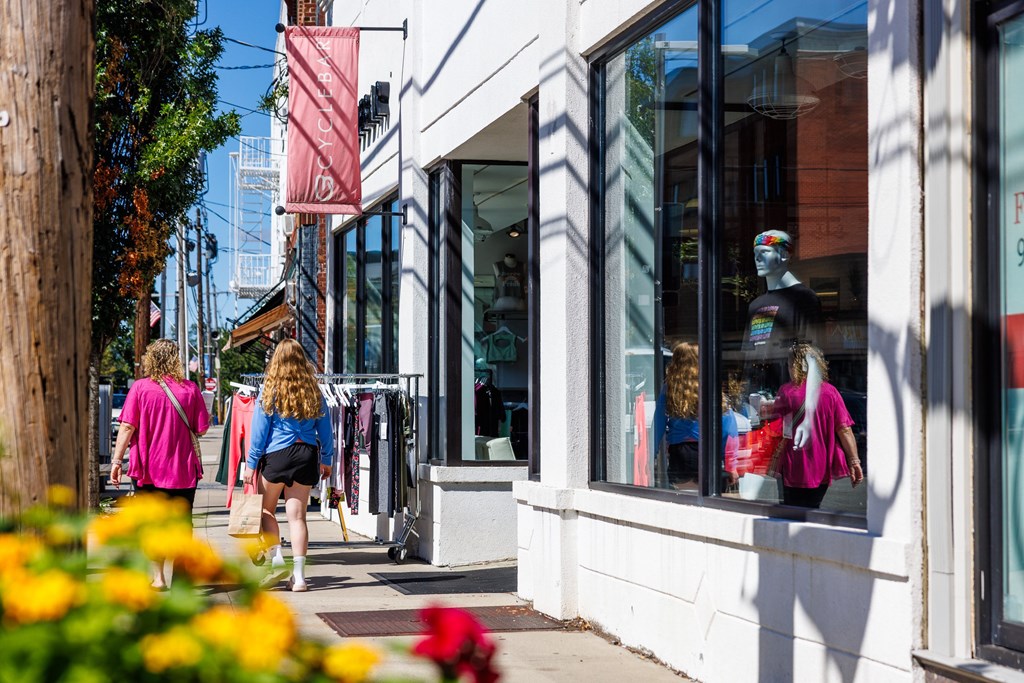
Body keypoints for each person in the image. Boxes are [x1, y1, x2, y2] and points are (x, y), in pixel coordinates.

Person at [110, 339, 210, 589]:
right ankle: (181, 579)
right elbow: (201, 429)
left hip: (148, 471)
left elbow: (127, 426)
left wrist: (116, 461)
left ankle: (158, 577)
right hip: (183, 471)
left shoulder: (141, 388)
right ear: (176, 360)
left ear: (151, 359)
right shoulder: (190, 389)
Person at [243, 339, 333, 592]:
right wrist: (327, 458)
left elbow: (259, 432)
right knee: (298, 517)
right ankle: (300, 578)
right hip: (306, 453)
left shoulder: (269, 390)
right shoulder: (313, 390)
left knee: (266, 511)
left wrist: (251, 464)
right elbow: (325, 429)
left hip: (277, 454)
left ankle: (277, 560)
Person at [763, 342, 864, 508]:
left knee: (791, 511)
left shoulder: (786, 392)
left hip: (793, 464)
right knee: (813, 509)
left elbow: (780, 429)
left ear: (795, 366)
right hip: (821, 465)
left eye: (789, 365)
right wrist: (854, 461)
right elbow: (844, 429)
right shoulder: (830, 392)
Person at [650, 342, 739, 488]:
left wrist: (650, 456)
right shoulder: (711, 389)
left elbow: (658, 425)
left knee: (684, 500)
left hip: (680, 453)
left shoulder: (670, 389)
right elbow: (729, 429)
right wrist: (731, 464)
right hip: (708, 451)